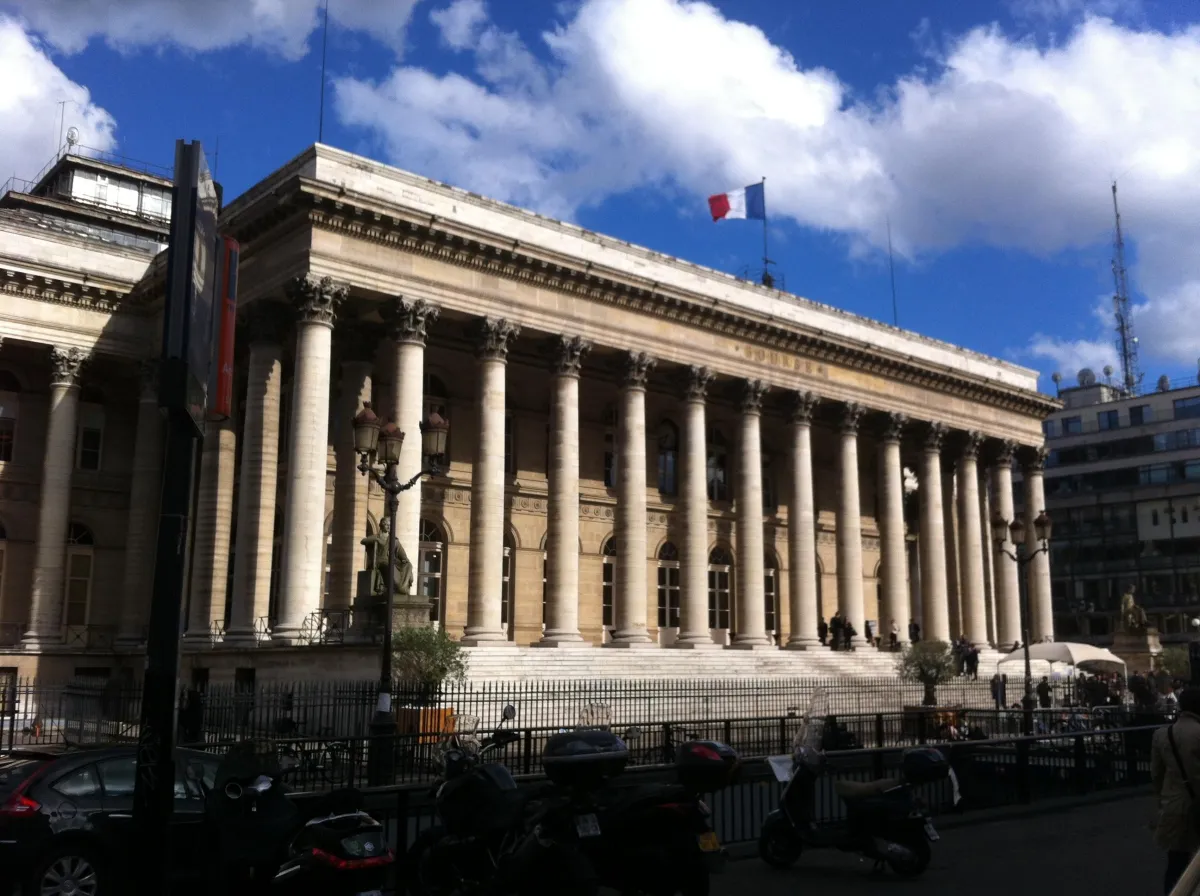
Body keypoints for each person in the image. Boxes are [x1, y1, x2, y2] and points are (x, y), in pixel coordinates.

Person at [1152, 686, 1200, 892]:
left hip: (1174, 804)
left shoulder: (1162, 734)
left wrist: (1161, 801)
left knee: (1176, 862)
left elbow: (1156, 774)